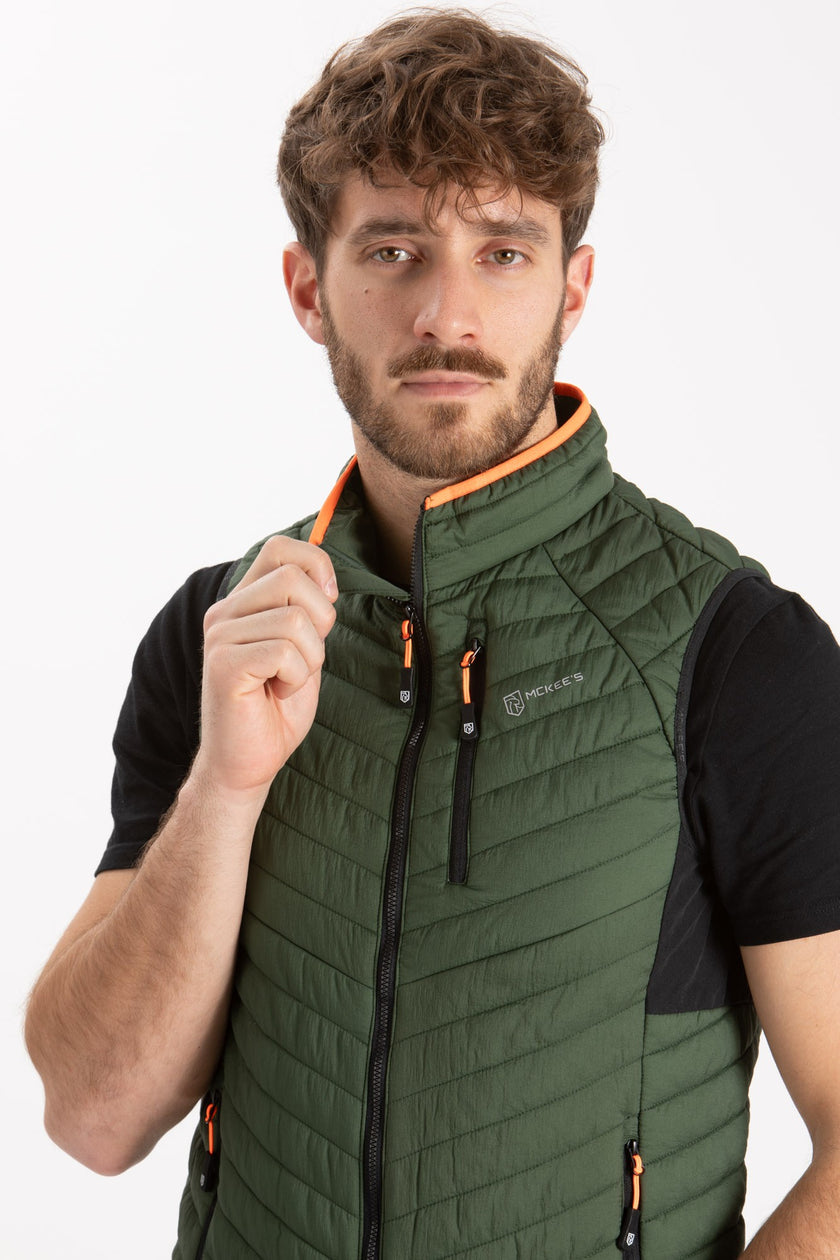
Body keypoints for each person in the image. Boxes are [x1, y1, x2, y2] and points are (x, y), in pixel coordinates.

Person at [24, 8, 840, 1259]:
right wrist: (227, 791)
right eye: (394, 249)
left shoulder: (730, 653)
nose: (447, 314)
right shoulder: (219, 631)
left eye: (503, 251)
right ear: (310, 289)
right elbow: (92, 1116)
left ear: (572, 287)